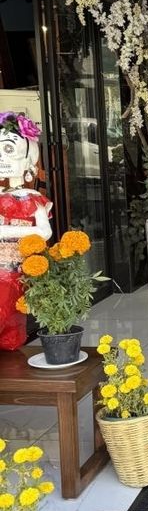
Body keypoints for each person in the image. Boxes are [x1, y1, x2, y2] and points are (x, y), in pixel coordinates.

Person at [0, 112, 52, 350]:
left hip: (16, 272)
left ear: (28, 161)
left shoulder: (31, 198)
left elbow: (44, 232)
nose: (2, 158)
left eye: (9, 150)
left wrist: (4, 231)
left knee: (10, 322)